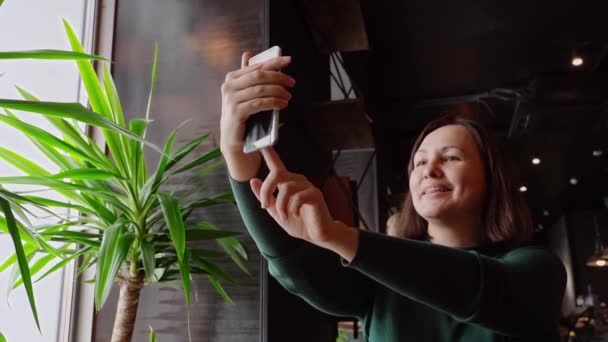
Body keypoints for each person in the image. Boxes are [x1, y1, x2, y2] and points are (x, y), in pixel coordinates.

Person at [220, 51, 567, 341]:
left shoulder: (536, 269)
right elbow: (290, 259)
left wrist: (340, 236)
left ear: (493, 177)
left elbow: (482, 289)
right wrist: (237, 158)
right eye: (419, 162)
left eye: (450, 158)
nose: (428, 170)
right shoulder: (376, 282)